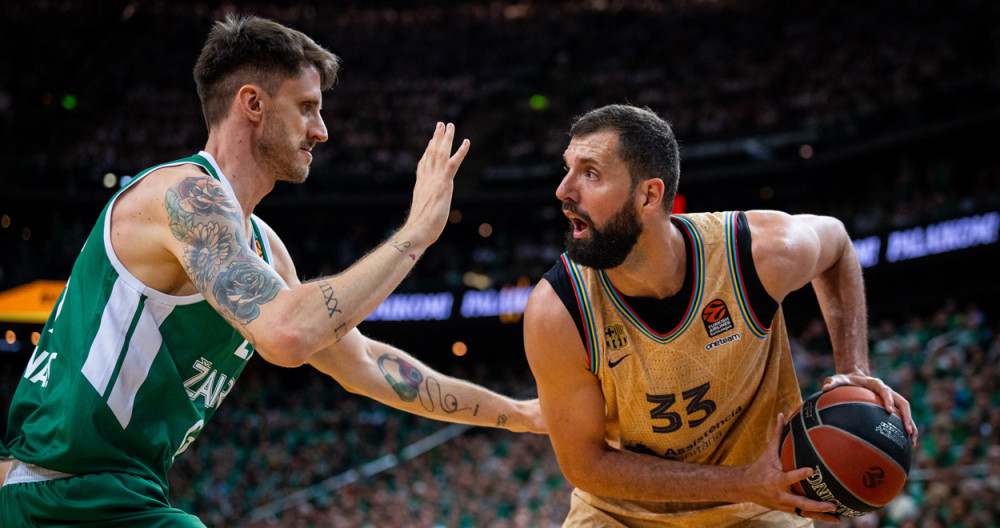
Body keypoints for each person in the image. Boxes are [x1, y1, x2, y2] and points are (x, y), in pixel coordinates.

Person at [0, 14, 543, 527]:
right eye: (307, 107)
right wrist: (415, 233)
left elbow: (367, 363)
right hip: (58, 494)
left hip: (116, 496)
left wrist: (521, 414)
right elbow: (285, 334)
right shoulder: (183, 196)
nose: (322, 130)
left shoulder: (262, 246)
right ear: (253, 103)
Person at [523, 104, 918, 526]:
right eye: (567, 169)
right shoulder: (559, 310)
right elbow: (587, 466)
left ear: (649, 195)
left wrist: (853, 367)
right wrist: (741, 481)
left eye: (590, 173)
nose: (564, 190)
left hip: (764, 502)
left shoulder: (755, 254)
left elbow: (836, 244)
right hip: (622, 512)